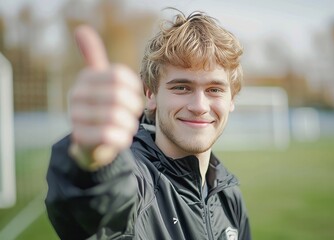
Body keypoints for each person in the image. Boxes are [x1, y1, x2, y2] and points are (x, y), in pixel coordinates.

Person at [46, 9, 251, 240]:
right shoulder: (135, 182)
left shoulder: (228, 195)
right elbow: (100, 215)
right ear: (150, 93)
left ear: (231, 99)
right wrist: (91, 166)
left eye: (214, 89)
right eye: (181, 87)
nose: (199, 106)